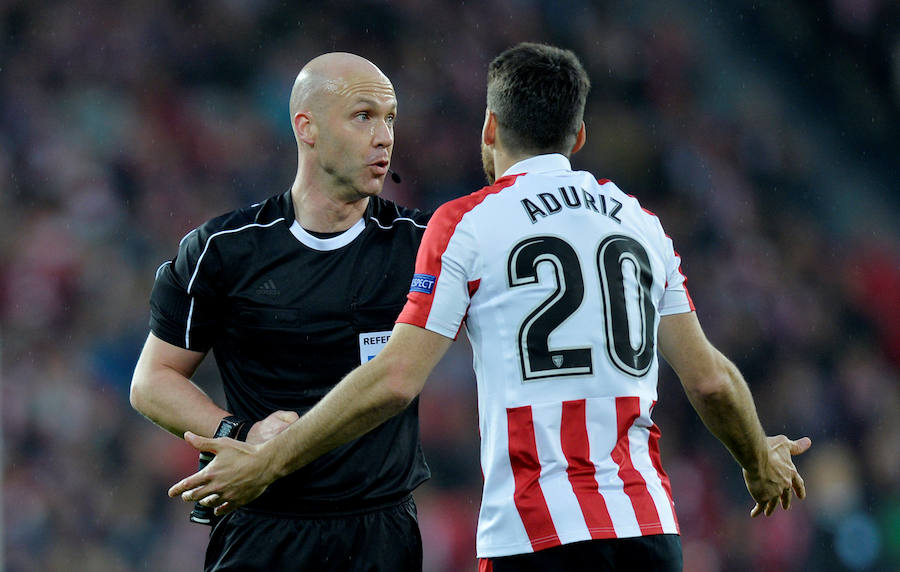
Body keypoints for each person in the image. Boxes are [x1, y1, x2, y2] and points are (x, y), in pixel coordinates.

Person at [169, 43, 811, 571]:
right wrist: (757, 458)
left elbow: (396, 379)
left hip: (537, 533)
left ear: (490, 128)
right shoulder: (641, 224)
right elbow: (710, 379)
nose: (385, 137)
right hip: (648, 532)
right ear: (580, 134)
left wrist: (269, 460)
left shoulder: (468, 225)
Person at [130, 52, 431, 571]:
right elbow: (152, 380)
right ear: (306, 127)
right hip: (262, 527)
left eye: (390, 118)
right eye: (364, 116)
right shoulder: (224, 250)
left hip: (381, 531)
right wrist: (239, 433)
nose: (384, 136)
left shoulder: (423, 246)